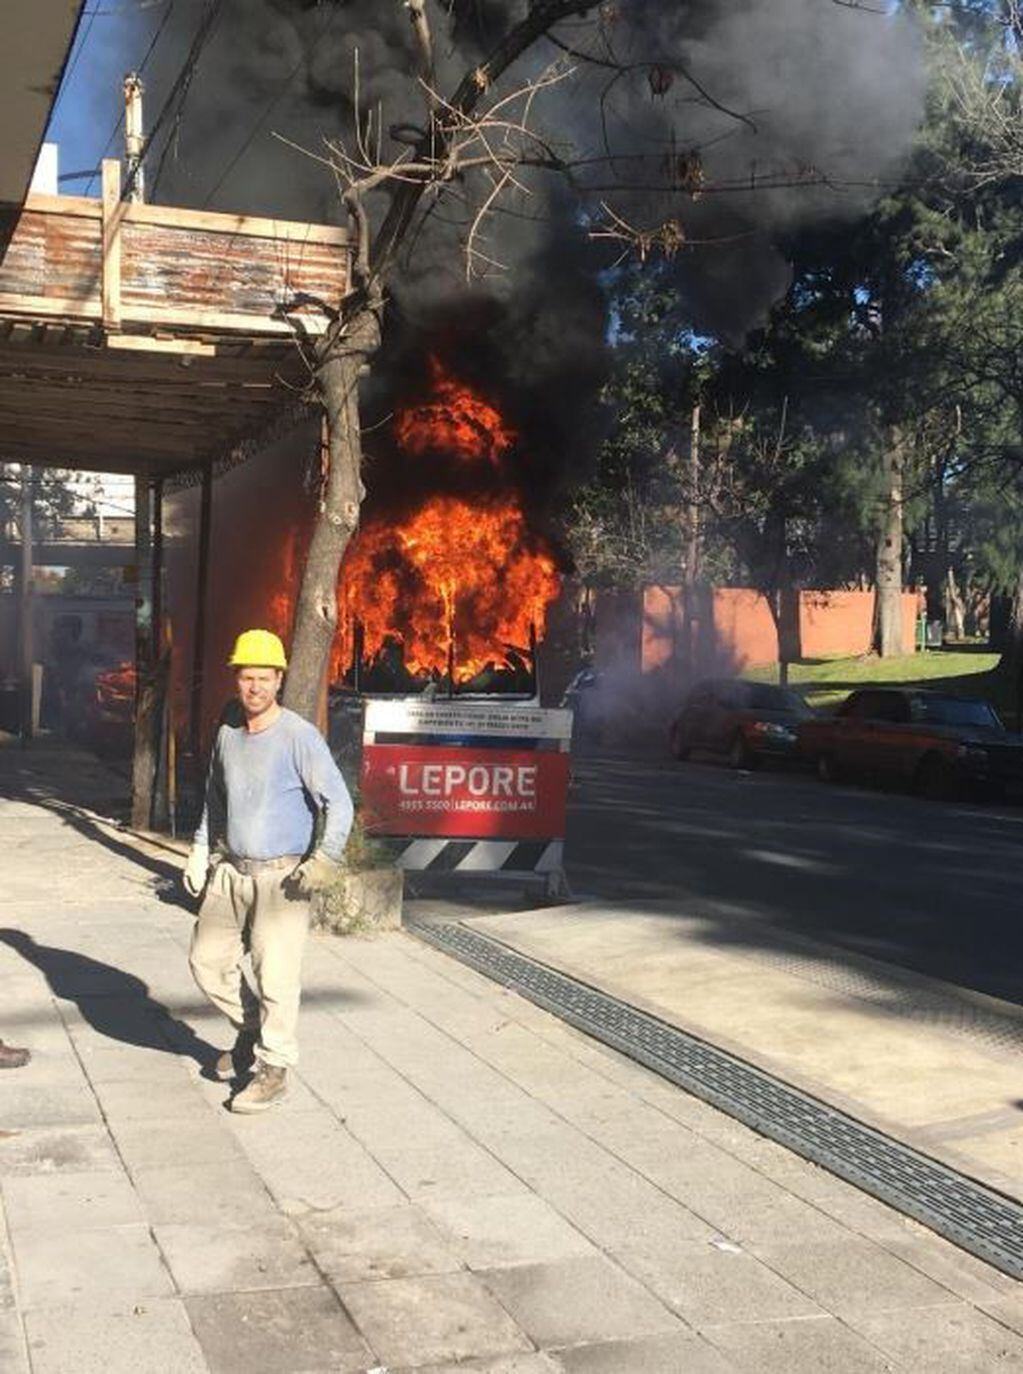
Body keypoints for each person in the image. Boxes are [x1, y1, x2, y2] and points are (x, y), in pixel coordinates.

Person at [183, 629, 353, 1113]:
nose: (254, 687)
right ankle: (251, 1030)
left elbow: (337, 803)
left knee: (275, 974)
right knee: (206, 960)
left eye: (264, 677)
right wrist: (200, 850)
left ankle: (273, 1069)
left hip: (283, 879)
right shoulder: (228, 734)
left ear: (279, 679)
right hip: (232, 873)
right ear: (235, 679)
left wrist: (326, 858)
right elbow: (215, 801)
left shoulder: (298, 736)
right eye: (246, 677)